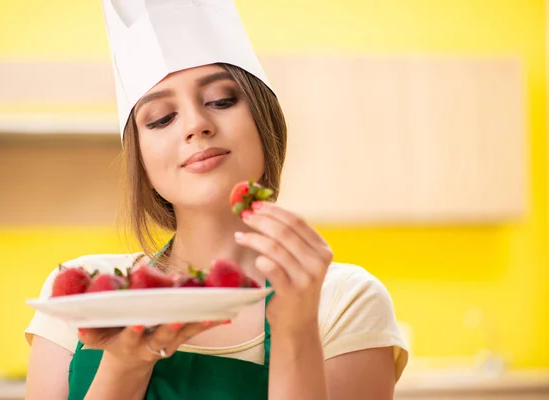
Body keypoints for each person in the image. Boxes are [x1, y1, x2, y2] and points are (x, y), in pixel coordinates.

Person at [24, 1, 409, 399]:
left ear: (263, 119)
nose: (196, 125)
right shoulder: (84, 297)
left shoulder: (343, 300)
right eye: (160, 119)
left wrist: (296, 329)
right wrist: (124, 364)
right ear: (141, 158)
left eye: (222, 100)